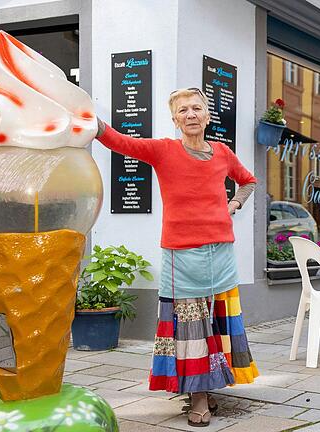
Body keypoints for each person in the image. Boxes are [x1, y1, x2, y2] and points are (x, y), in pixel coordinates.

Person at [96, 88, 258, 427]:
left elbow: (248, 181)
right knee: (190, 328)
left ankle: (210, 384)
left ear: (207, 115)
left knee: (217, 324)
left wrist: (234, 204)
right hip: (181, 255)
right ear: (175, 119)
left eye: (196, 108)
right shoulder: (163, 150)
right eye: (183, 110)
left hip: (221, 251)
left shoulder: (223, 153)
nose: (191, 114)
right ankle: (198, 397)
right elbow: (117, 140)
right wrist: (87, 119)